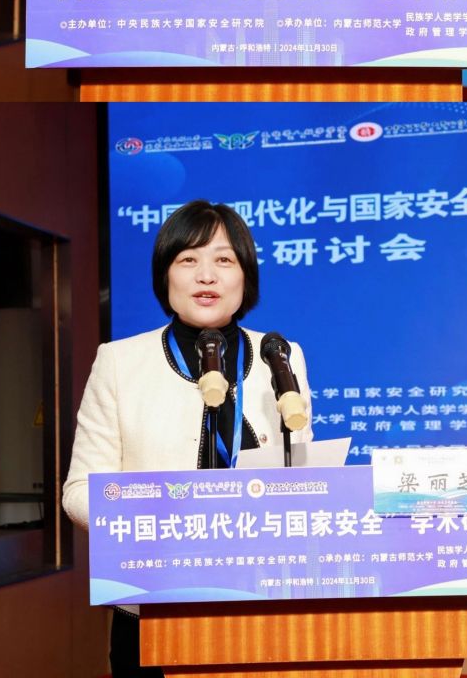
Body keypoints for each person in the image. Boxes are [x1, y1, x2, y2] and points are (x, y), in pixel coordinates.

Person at [62, 200, 314, 678]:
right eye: (188, 259)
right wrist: (165, 521)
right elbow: (78, 493)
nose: (206, 275)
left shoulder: (281, 356)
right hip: (153, 606)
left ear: (246, 276)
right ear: (165, 276)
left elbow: (303, 477)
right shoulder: (119, 362)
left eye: (224, 260)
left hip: (263, 602)